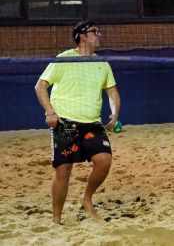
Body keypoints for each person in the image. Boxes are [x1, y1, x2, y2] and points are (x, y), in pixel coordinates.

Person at [34, 20, 121, 224]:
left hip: (92, 123)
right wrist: (50, 112)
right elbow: (40, 86)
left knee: (104, 161)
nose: (99, 34)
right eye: (95, 31)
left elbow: (112, 92)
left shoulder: (102, 63)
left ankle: (87, 199)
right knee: (63, 171)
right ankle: (56, 219)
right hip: (65, 123)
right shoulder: (63, 60)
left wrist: (115, 114)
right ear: (82, 35)